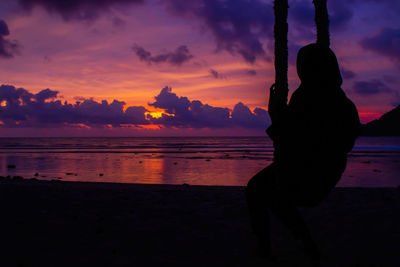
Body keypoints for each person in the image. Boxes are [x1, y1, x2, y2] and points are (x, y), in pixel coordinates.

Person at [246, 43, 360, 260]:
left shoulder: (308, 98)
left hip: (306, 174)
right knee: (269, 194)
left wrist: (276, 116)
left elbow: (289, 143)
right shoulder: (342, 101)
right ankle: (304, 242)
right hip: (327, 172)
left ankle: (268, 248)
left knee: (258, 190)